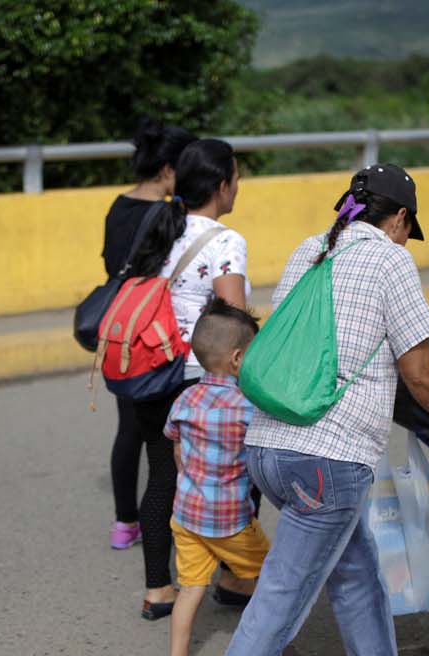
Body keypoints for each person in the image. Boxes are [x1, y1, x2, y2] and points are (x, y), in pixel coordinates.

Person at [170, 163, 429, 656]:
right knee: (278, 605)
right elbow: (421, 371)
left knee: (354, 567)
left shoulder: (310, 250)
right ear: (398, 218)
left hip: (270, 448)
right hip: (329, 461)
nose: (404, 238)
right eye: (406, 228)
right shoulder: (391, 262)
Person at [129, 138, 254, 621]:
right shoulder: (225, 241)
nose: (237, 187)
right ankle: (234, 575)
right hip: (202, 376)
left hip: (151, 366)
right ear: (222, 185)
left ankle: (159, 589)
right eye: (236, 178)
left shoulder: (158, 227)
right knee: (231, 473)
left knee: (163, 476)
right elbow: (234, 315)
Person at [157, 299, 287, 656]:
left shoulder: (185, 400)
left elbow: (176, 448)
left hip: (187, 515)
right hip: (230, 521)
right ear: (237, 358)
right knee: (272, 580)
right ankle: (274, 655)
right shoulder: (249, 406)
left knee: (191, 587)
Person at [100, 120, 197, 551]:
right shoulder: (168, 213)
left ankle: (125, 524)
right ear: (167, 169)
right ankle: (168, 521)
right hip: (154, 330)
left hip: (121, 326)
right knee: (163, 438)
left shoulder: (117, 206)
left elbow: (110, 263)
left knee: (128, 428)